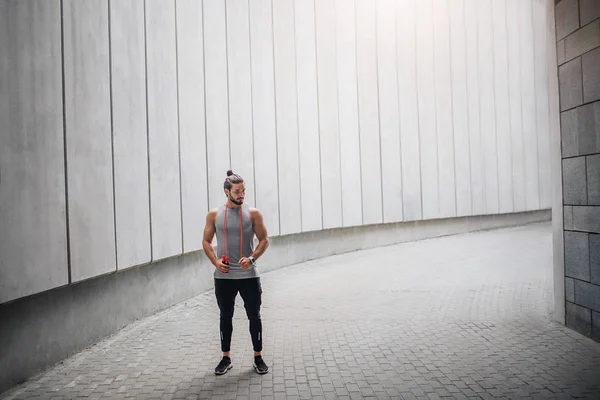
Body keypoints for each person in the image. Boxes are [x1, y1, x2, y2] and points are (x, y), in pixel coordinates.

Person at [202, 170, 270, 375]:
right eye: (238, 191)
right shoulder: (214, 215)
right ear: (227, 192)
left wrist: (251, 259)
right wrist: (215, 261)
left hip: (249, 276)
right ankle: (226, 357)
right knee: (225, 317)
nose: (242, 195)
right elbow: (206, 242)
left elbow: (265, 240)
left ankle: (258, 357)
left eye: (244, 191)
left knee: (254, 316)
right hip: (224, 277)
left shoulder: (253, 213)